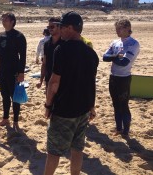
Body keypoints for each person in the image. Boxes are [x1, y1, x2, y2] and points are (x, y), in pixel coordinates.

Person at [44, 11, 99, 175]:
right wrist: (91, 106)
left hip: (64, 110)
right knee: (77, 149)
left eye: (61, 27)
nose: (59, 30)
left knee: (53, 152)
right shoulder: (91, 53)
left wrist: (48, 105)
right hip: (83, 110)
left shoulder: (61, 49)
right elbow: (91, 83)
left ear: (70, 28)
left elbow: (54, 82)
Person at [0, 13, 27, 131]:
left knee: (15, 97)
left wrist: (21, 72)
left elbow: (23, 56)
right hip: (1, 71)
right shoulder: (0, 36)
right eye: (2, 19)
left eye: (6, 19)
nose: (3, 21)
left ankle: (16, 121)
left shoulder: (19, 36)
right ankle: (5, 118)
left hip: (14, 72)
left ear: (12, 21)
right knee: (4, 96)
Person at [103, 19, 140, 136]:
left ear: (127, 29)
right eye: (116, 28)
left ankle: (126, 131)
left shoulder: (133, 43)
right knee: (115, 104)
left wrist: (113, 57)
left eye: (119, 28)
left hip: (124, 78)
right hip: (113, 77)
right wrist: (115, 56)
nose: (117, 31)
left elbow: (124, 62)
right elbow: (104, 57)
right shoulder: (115, 42)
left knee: (124, 105)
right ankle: (119, 128)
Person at [36, 17, 64, 90]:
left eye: (52, 27)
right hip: (49, 79)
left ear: (59, 27)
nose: (50, 29)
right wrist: (41, 80)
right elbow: (44, 63)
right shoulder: (47, 44)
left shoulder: (65, 43)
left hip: (62, 80)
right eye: (48, 27)